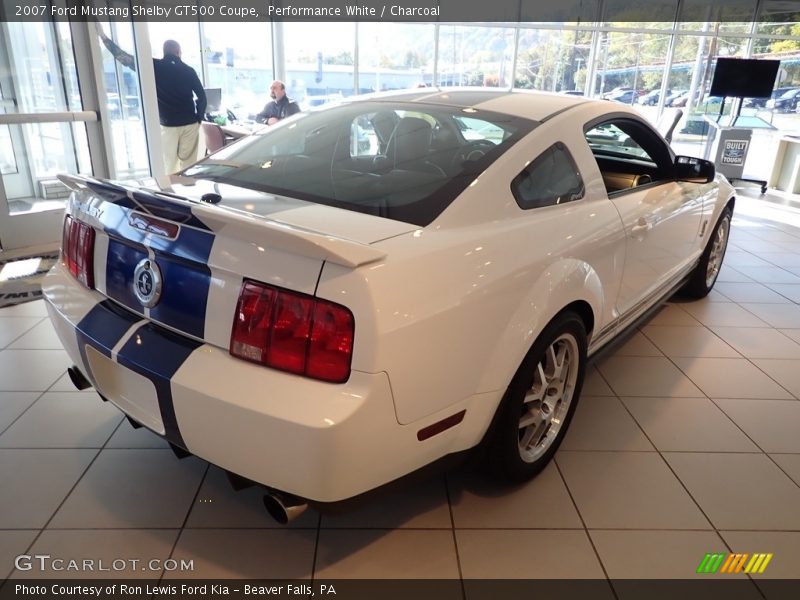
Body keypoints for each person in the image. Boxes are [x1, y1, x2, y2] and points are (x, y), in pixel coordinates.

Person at [96, 26, 206, 174]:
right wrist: (198, 118)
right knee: (188, 166)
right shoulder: (189, 70)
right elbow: (202, 97)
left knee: (169, 166)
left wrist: (104, 38)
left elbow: (123, 58)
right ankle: (188, 189)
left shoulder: (152, 66)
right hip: (189, 123)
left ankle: (170, 193)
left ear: (164, 52)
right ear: (178, 52)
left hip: (168, 124)